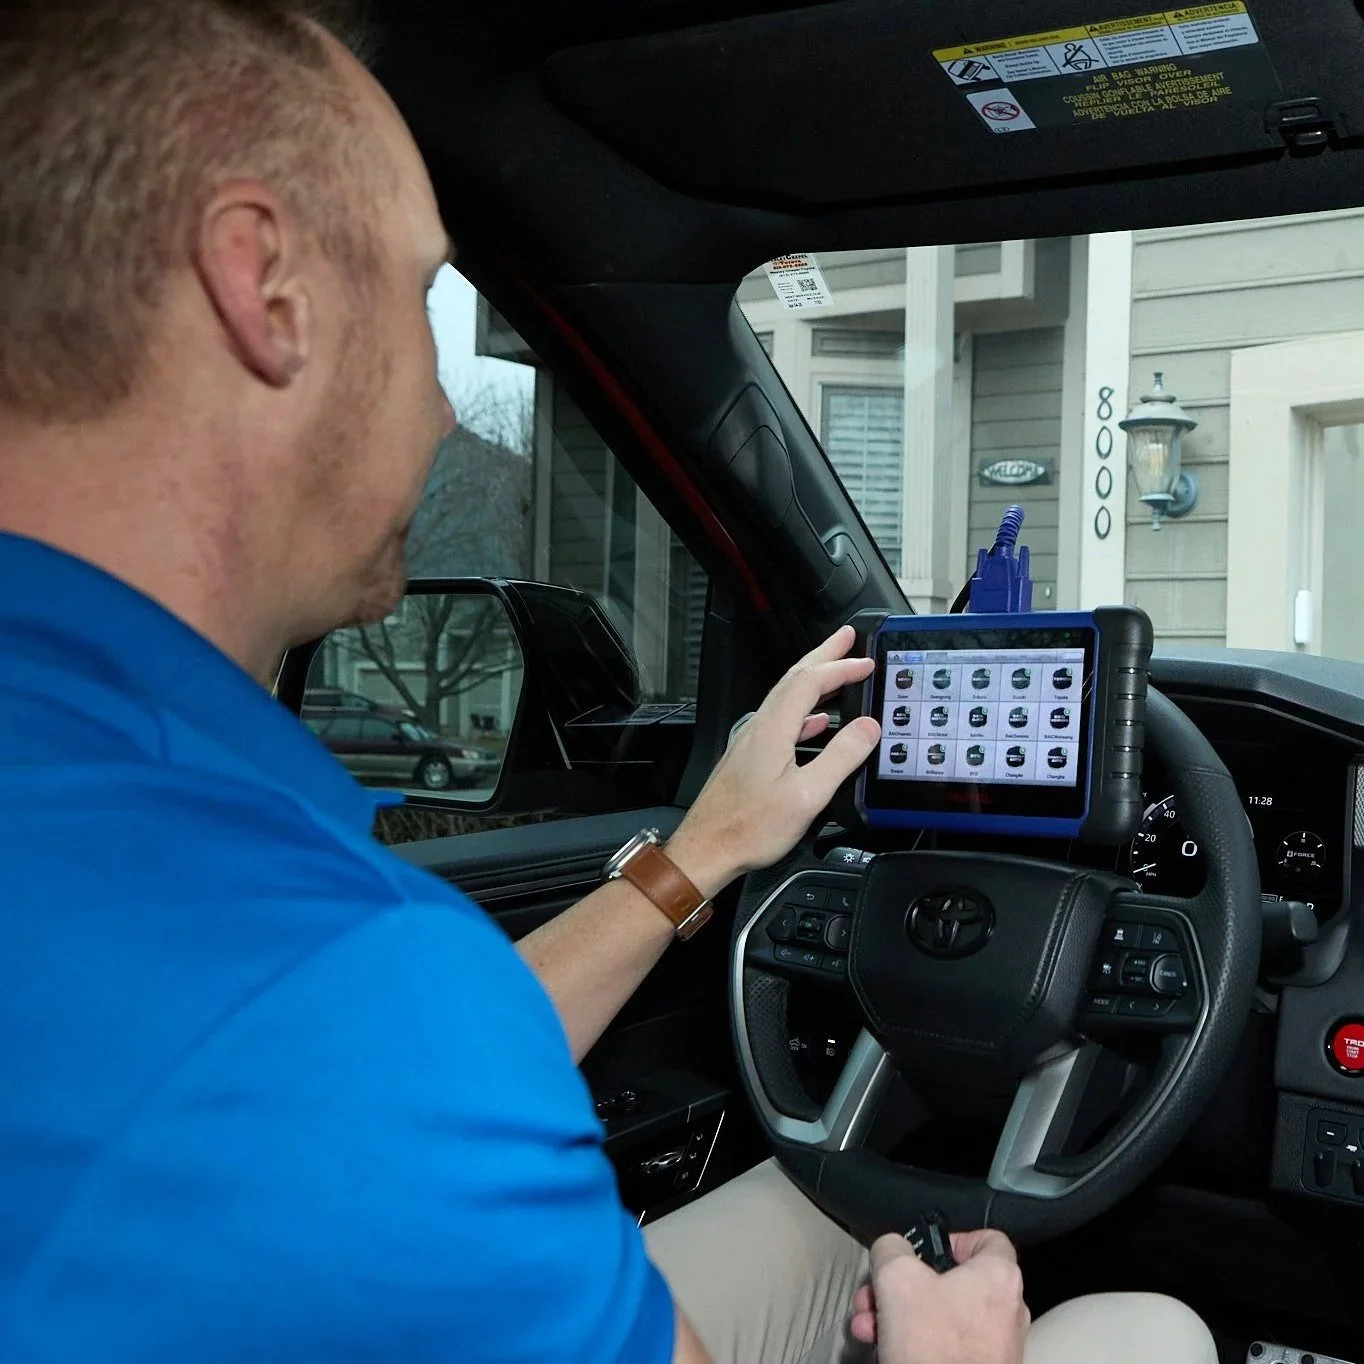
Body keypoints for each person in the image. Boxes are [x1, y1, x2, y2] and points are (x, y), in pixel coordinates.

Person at [0, 4, 1218, 1362]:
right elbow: (362, 1045)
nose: (446, 411)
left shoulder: (204, 905)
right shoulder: (323, 979)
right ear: (263, 288)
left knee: (833, 1217)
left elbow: (401, 1064)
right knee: (1141, 1329)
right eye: (418, 295)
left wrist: (703, 853)